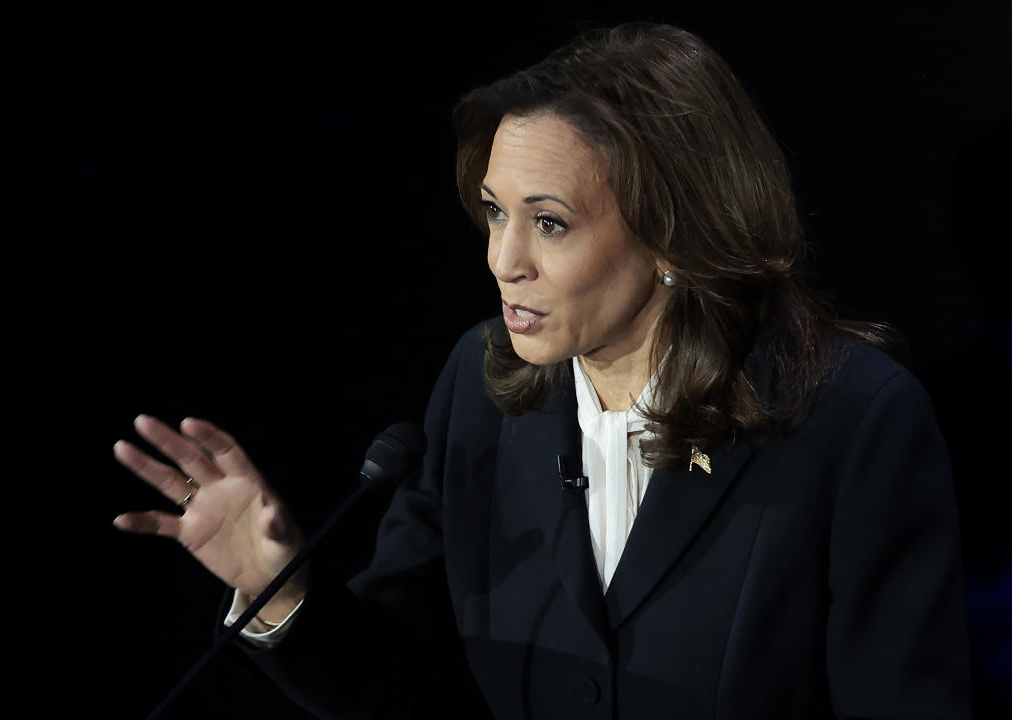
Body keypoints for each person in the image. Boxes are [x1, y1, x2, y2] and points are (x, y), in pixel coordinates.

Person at [114, 22, 972, 719]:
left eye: (549, 223)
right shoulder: (483, 389)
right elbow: (396, 684)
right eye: (493, 213)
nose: (502, 259)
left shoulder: (852, 420)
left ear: (673, 233)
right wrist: (278, 589)